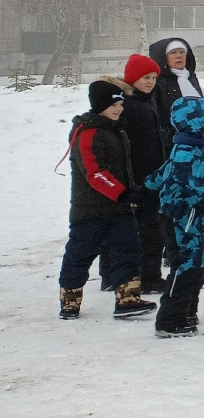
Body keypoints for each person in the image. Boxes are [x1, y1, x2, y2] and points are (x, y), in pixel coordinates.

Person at [143, 97, 204, 337]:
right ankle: (170, 320)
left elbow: (160, 175)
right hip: (182, 219)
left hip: (192, 219)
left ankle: (186, 311)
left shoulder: (190, 148)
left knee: (197, 266)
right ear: (194, 124)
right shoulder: (186, 155)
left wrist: (148, 185)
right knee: (186, 268)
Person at [58, 80, 154, 320]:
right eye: (113, 104)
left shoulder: (116, 130)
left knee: (128, 249)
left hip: (119, 208)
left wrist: (133, 190)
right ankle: (70, 301)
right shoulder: (88, 132)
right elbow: (94, 172)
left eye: (121, 104)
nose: (119, 109)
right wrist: (122, 193)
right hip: (90, 209)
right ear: (99, 105)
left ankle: (127, 299)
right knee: (80, 254)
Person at [119, 54, 170, 291]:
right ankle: (147, 277)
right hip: (140, 178)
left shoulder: (146, 101)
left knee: (151, 227)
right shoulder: (128, 106)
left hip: (152, 175)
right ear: (132, 79)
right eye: (145, 78)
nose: (150, 82)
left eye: (153, 78)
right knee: (147, 229)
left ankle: (146, 275)